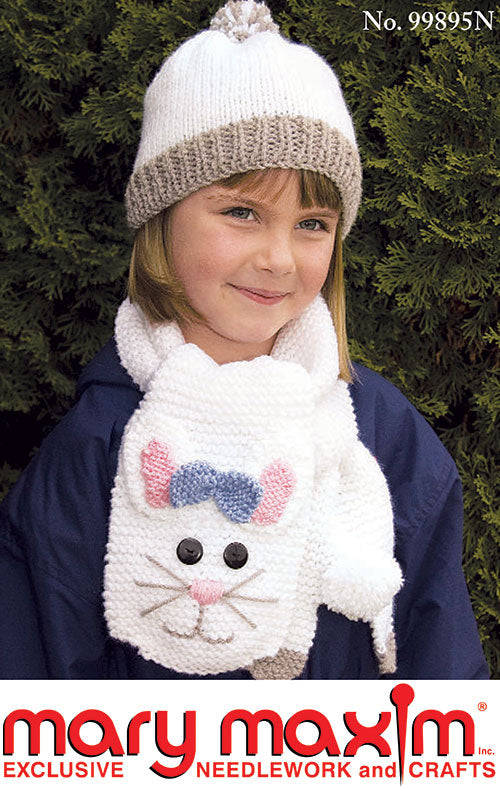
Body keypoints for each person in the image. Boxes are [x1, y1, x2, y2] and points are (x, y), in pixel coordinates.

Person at [0, 0, 488, 680]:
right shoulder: (97, 446)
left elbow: (444, 686)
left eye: (312, 223)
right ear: (163, 218)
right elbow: (36, 694)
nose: (279, 259)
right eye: (241, 212)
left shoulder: (387, 442)